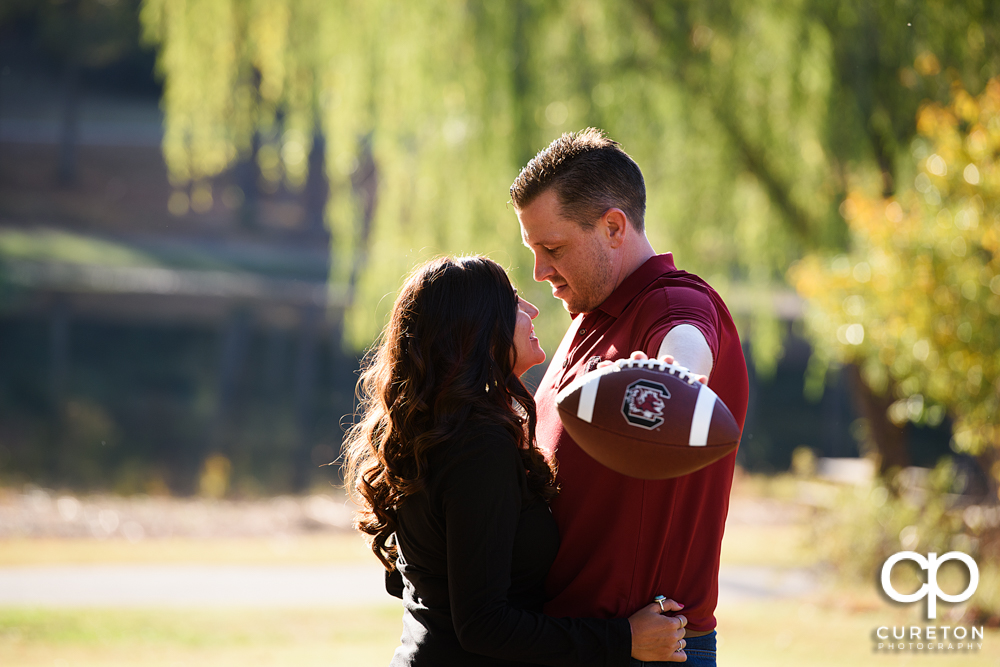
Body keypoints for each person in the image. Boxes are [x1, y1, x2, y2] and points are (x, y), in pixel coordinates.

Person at [342, 255, 689, 666]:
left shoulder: (437, 433)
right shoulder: (478, 447)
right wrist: (623, 639)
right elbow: (482, 624)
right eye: (513, 301)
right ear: (477, 329)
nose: (532, 310)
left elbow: (416, 582)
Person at [509, 129, 750, 667]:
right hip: (569, 640)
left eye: (553, 249)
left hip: (646, 649)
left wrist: (672, 380)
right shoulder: (588, 317)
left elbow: (685, 348)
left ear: (614, 227)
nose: (540, 271)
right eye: (533, 251)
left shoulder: (674, 300)